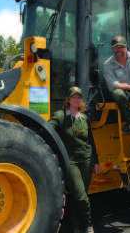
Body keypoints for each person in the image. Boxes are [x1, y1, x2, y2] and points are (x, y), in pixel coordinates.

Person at [49, 86, 99, 233]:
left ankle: (75, 226)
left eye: (79, 97)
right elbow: (48, 129)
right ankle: (88, 225)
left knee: (79, 196)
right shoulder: (60, 116)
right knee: (81, 195)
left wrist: (95, 161)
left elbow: (91, 141)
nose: (77, 100)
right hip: (71, 161)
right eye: (74, 97)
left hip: (87, 160)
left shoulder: (84, 117)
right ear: (68, 100)